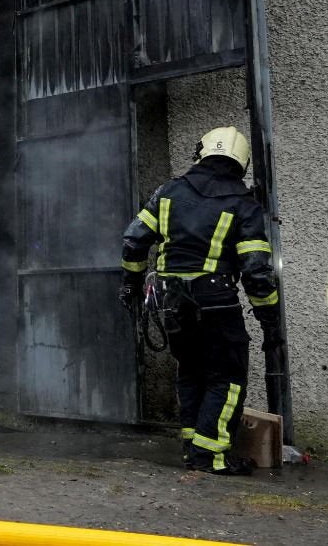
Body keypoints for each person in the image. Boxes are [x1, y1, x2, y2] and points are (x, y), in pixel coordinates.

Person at [120, 126, 282, 475]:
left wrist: (131, 285)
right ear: (240, 163)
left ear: (202, 153)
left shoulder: (168, 192)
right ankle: (213, 458)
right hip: (216, 302)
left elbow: (134, 241)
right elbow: (256, 272)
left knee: (191, 372)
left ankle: (193, 450)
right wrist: (269, 319)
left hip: (171, 304)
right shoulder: (243, 205)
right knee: (227, 377)